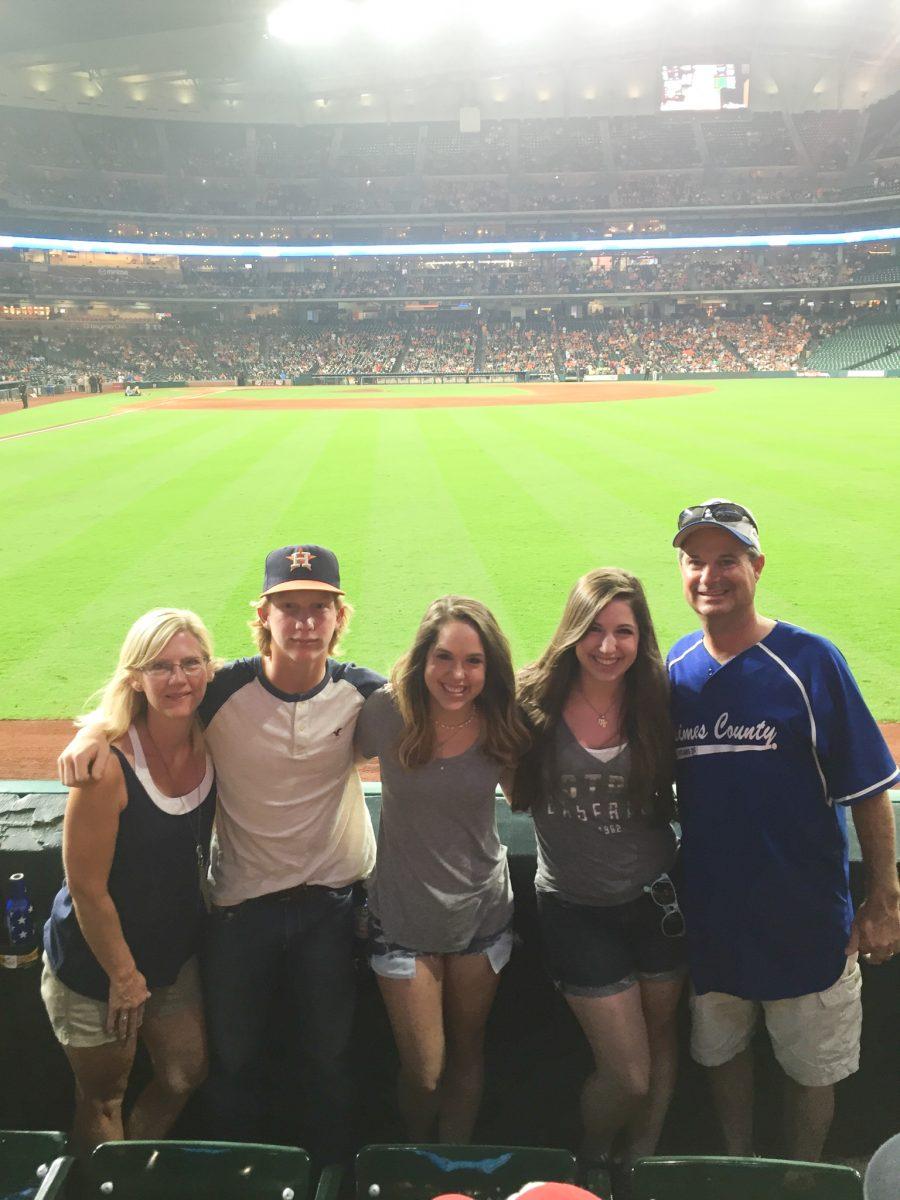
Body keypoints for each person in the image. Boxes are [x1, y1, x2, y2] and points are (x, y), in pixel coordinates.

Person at [57, 544, 385, 1163]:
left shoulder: (363, 692)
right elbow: (148, 696)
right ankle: (237, 1170)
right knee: (228, 1064)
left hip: (332, 909)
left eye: (320, 608)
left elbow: (445, 709)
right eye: (290, 607)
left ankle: (330, 1171)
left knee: (331, 1058)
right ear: (264, 616)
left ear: (340, 619)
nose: (306, 622)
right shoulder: (220, 686)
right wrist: (92, 731)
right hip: (241, 909)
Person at [667, 499, 900, 1161]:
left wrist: (884, 899)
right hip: (713, 923)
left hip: (805, 920)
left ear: (757, 566)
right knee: (721, 1056)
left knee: (810, 1072)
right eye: (695, 561)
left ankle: (799, 1181)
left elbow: (870, 792)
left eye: (727, 561)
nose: (710, 575)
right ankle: (739, 1167)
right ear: (681, 571)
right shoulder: (674, 671)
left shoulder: (810, 662)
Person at [512, 569, 685, 1168]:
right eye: (594, 629)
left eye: (624, 631)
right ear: (572, 631)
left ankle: (640, 1160)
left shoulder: (659, 697)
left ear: (642, 638)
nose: (608, 646)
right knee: (629, 1075)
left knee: (663, 1043)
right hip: (575, 909)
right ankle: (592, 1159)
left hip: (658, 902)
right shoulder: (532, 698)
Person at [354, 597, 529, 1143]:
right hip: (403, 916)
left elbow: (524, 796)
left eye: (473, 661)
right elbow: (320, 754)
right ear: (422, 659)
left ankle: (451, 1168)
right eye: (444, 658)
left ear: (490, 666)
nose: (457, 675)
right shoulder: (386, 712)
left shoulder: (502, 718)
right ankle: (410, 1162)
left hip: (482, 911)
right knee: (426, 1073)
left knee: (468, 1054)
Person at [43, 608, 217, 1152]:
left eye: (190, 663)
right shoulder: (106, 767)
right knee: (103, 1099)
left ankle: (129, 1170)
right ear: (134, 677)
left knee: (185, 1074)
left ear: (209, 669)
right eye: (160, 666)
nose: (178, 678)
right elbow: (86, 888)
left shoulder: (211, 733)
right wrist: (123, 975)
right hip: (98, 966)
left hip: (170, 955)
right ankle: (100, 1185)